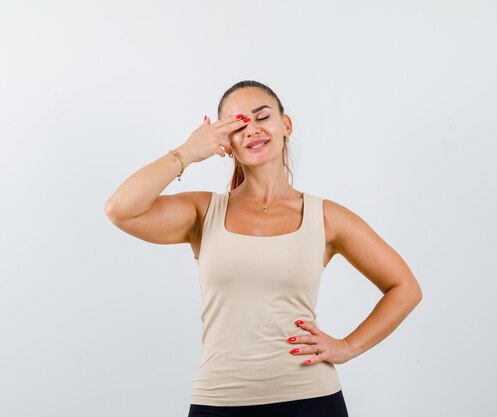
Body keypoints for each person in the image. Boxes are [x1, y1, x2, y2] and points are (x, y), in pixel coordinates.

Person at [104, 80, 423, 417]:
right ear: (225, 140)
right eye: (239, 124)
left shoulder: (326, 217)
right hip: (219, 400)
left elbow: (405, 288)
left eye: (262, 117)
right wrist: (188, 152)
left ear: (285, 125)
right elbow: (120, 209)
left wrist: (347, 346)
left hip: (310, 400)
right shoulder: (203, 212)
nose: (252, 130)